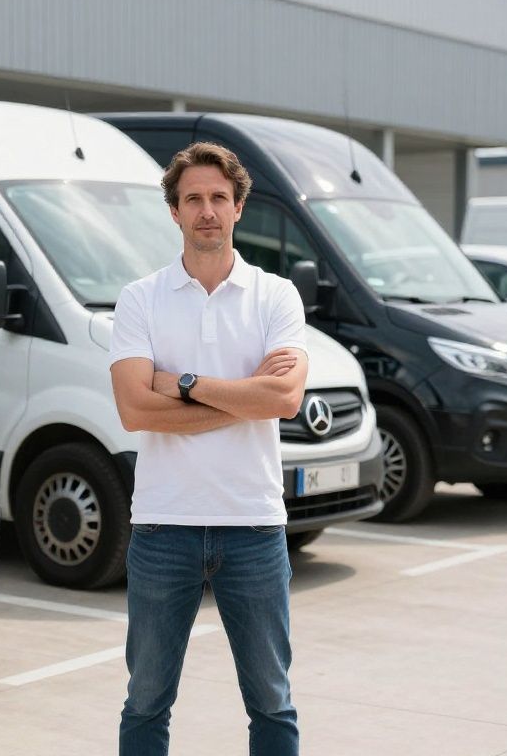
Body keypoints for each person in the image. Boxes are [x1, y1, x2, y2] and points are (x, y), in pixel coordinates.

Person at [109, 142, 309, 756]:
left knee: (272, 703)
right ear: (174, 211)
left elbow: (286, 400)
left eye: (219, 198)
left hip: (252, 525)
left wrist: (185, 383)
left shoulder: (276, 296)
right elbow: (134, 410)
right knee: (146, 701)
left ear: (238, 207)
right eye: (193, 198)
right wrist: (245, 396)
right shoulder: (140, 299)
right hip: (163, 527)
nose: (207, 211)